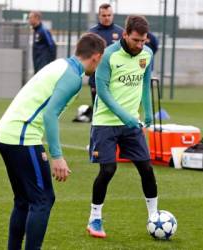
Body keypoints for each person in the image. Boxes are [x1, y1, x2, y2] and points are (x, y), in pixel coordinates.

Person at [0, 33, 105, 250]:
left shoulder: (60, 64)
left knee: (24, 200)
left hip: (5, 133)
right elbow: (50, 114)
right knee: (43, 199)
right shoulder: (73, 76)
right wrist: (57, 156)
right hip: (22, 137)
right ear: (96, 57)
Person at [87, 15, 158, 238]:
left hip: (131, 124)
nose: (140, 45)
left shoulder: (147, 54)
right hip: (105, 123)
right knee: (108, 169)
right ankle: (94, 219)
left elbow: (146, 83)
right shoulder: (108, 56)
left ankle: (154, 217)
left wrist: (147, 112)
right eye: (136, 40)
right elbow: (102, 91)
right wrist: (125, 116)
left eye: (143, 40)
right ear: (125, 34)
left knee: (146, 168)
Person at [88, 3, 123, 105]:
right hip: (96, 77)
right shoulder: (92, 33)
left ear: (112, 15)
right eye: (104, 15)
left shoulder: (121, 32)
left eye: (109, 15)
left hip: (115, 77)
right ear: (99, 16)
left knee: (115, 107)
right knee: (97, 107)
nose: (107, 18)